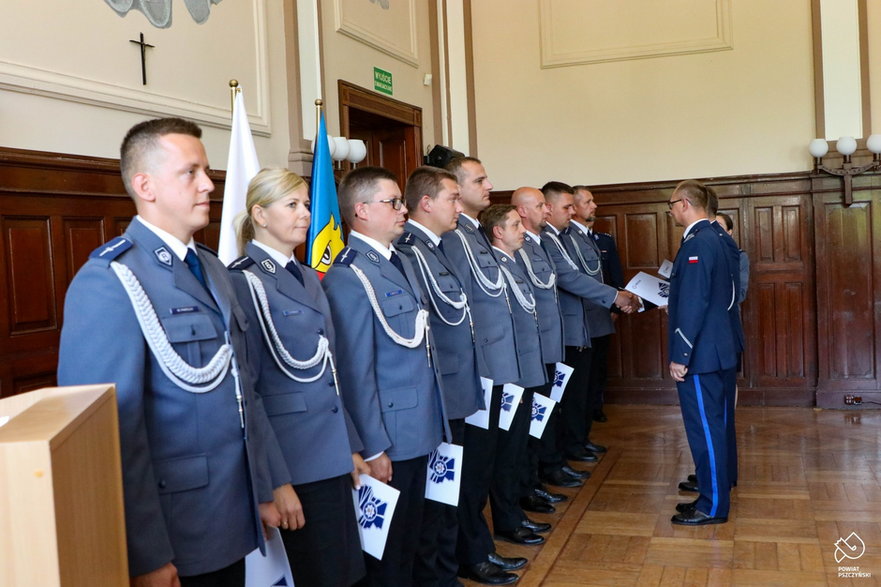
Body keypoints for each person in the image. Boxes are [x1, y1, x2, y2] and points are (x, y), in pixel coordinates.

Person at [57, 117, 282, 586]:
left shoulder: (214, 269)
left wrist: (262, 487)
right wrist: (145, 554)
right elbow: (105, 432)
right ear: (146, 185)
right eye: (191, 172)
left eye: (208, 172)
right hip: (174, 529)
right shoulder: (111, 279)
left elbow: (244, 389)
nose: (208, 185)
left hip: (229, 513)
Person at [227, 168, 367, 586]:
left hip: (330, 452)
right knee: (319, 575)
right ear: (261, 214)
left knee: (345, 571)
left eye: (306, 204)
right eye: (292, 205)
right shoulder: (242, 281)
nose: (306, 214)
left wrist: (351, 446)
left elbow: (329, 373)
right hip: (293, 458)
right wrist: (274, 482)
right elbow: (247, 393)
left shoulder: (306, 275)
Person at [322, 166, 448, 586]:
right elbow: (354, 372)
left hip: (420, 424)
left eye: (401, 201)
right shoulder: (349, 275)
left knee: (415, 535)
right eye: (392, 202)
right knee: (389, 553)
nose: (402, 209)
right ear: (361, 211)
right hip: (391, 435)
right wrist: (372, 446)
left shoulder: (399, 262)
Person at [395, 165, 488, 586]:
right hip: (440, 392)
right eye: (452, 197)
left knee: (449, 493)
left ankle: (450, 570)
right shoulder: (412, 250)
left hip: (456, 386)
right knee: (436, 501)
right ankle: (439, 576)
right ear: (427, 203)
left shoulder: (437, 246)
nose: (458, 205)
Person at [442, 157, 523, 585]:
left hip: (494, 368)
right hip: (477, 372)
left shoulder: (471, 235)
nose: (489, 184)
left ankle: (481, 545)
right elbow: (463, 311)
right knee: (471, 472)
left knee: (485, 464)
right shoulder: (455, 239)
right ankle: (473, 553)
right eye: (478, 180)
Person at [540, 181, 637, 475]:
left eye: (573, 206)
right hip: (564, 331)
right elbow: (569, 277)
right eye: (567, 207)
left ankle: (575, 443)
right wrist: (615, 297)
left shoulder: (565, 236)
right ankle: (559, 455)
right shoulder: (546, 238)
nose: (573, 212)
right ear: (548, 208)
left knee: (581, 393)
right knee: (563, 399)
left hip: (582, 324)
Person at [480, 204, 553, 546]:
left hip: (524, 368)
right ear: (498, 231)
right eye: (514, 224)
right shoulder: (492, 267)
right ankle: (508, 519)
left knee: (520, 445)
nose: (522, 228)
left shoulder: (513, 262)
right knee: (507, 452)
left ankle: (516, 512)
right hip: (510, 373)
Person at [666, 179, 738, 525]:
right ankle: (716, 492)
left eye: (671, 205)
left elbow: (694, 303)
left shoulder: (698, 242)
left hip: (702, 354)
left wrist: (681, 355)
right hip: (720, 348)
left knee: (705, 429)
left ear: (684, 204)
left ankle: (711, 506)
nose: (670, 212)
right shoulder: (720, 236)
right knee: (718, 425)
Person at [510, 187, 569, 511]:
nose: (547, 211)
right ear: (521, 211)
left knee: (543, 416)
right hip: (529, 350)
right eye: (540, 206)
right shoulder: (516, 247)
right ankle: (529, 486)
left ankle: (536, 481)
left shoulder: (540, 242)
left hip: (546, 345)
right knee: (528, 426)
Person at [570, 186, 615, 446]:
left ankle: (583, 438)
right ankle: (577, 441)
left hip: (598, 317)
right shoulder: (568, 237)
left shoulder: (590, 237)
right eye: (588, 201)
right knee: (580, 389)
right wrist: (616, 299)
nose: (594, 205)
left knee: (593, 382)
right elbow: (574, 279)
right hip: (582, 322)